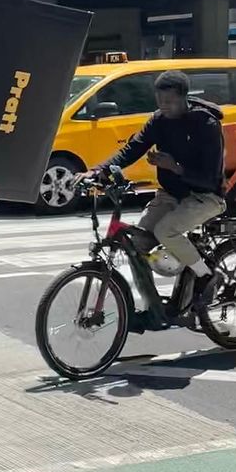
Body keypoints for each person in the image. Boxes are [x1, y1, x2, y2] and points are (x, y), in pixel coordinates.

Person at [95, 69, 226, 319]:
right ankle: (152, 308)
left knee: (165, 230)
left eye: (169, 101)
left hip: (206, 196)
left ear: (184, 98)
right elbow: (133, 148)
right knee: (137, 245)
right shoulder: (159, 120)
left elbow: (209, 176)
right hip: (171, 195)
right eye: (159, 101)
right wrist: (99, 170)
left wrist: (174, 167)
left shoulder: (206, 124)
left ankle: (207, 276)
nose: (163, 106)